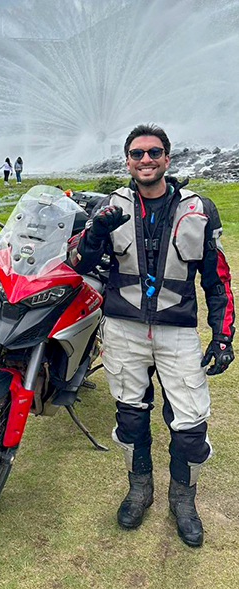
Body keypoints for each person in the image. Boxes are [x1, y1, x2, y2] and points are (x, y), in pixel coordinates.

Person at [71, 123, 235, 547]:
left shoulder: (199, 209)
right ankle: (139, 489)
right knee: (130, 415)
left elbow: (217, 280)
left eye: (154, 152)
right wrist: (95, 232)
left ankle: (183, 499)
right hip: (123, 328)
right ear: (127, 161)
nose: (146, 160)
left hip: (176, 330)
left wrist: (223, 336)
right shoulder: (110, 205)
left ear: (167, 158)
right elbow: (80, 263)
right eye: (138, 154)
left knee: (191, 424)